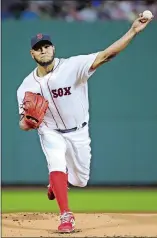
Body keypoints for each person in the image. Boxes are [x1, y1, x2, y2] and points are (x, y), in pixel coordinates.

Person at [17, 14, 153, 233]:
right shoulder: (25, 87)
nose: (43, 50)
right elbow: (22, 124)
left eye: (46, 46)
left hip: (79, 131)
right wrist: (29, 123)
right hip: (50, 131)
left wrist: (133, 31)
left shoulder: (73, 66)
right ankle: (66, 216)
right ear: (32, 53)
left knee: (80, 180)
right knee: (56, 161)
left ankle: (55, 184)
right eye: (38, 48)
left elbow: (108, 55)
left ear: (53, 49)